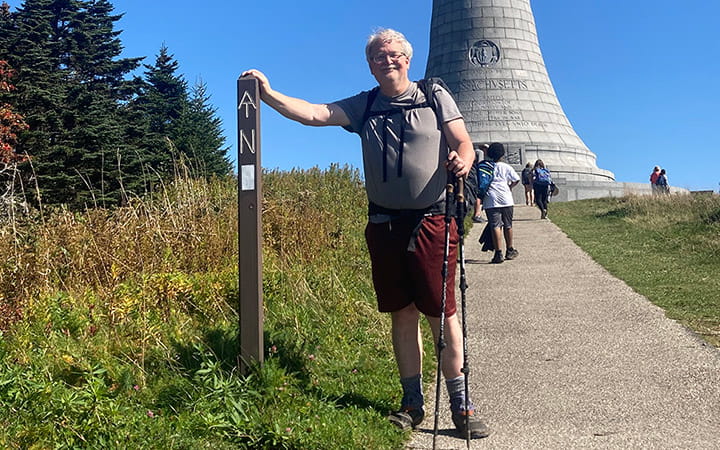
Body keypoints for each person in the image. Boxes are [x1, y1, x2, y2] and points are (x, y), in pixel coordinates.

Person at [242, 28, 489, 439]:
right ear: (370, 64)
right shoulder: (366, 105)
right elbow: (315, 113)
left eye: (393, 54)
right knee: (402, 312)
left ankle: (462, 406)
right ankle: (412, 404)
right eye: (377, 55)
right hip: (384, 223)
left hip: (432, 220)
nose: (386, 60)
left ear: (407, 59)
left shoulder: (433, 94)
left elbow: (464, 141)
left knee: (441, 313)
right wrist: (267, 93)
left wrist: (462, 161)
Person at [481, 143, 520, 264]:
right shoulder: (506, 167)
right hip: (506, 198)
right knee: (508, 225)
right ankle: (510, 249)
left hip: (491, 199)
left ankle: (498, 253)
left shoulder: (487, 166)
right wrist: (509, 187)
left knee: (495, 226)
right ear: (502, 154)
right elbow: (516, 179)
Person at [472, 144, 489, 222]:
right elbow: (480, 164)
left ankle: (476, 214)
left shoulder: (474, 151)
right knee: (479, 196)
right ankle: (477, 215)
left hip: (472, 173)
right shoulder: (480, 152)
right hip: (478, 175)